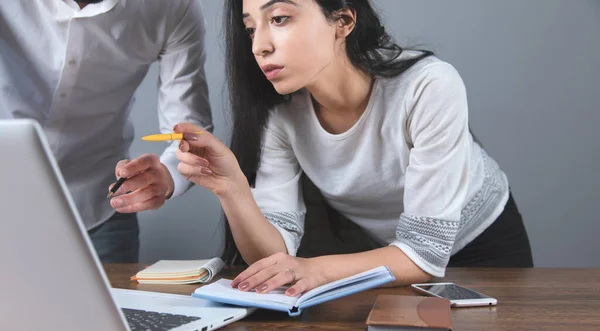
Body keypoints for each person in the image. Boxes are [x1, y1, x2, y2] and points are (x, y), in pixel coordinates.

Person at [174, 0, 534, 295]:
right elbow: (274, 258)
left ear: (343, 21)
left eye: (280, 18)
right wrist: (231, 187)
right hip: (396, 260)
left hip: (485, 243)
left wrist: (315, 269)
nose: (258, 45)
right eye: (251, 28)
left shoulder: (428, 85)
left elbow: (426, 251)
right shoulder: (282, 117)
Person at [0, 0, 212, 263]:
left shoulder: (172, 6)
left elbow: (191, 131)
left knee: (112, 306)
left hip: (100, 210)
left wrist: (168, 177)